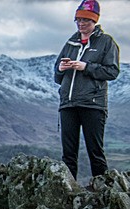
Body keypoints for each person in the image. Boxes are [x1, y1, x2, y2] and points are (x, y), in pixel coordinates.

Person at [54, 0, 120, 180]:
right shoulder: (70, 42)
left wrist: (86, 66)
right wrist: (60, 69)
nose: (81, 24)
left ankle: (103, 192)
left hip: (93, 105)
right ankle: (68, 193)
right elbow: (56, 77)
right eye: (78, 20)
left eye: (86, 20)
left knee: (95, 151)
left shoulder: (106, 42)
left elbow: (112, 71)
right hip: (68, 104)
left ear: (95, 21)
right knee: (68, 154)